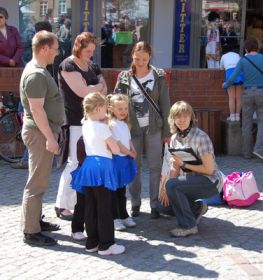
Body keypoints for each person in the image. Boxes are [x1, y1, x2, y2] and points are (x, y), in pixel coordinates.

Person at [114, 41, 171, 219]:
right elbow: (116, 101)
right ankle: (135, 203)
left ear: (150, 57)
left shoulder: (158, 75)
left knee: (155, 166)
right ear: (132, 55)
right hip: (131, 128)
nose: (140, 62)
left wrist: (167, 131)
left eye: (144, 59)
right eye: (137, 58)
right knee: (134, 166)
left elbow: (165, 103)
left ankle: (155, 204)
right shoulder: (124, 77)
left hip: (154, 126)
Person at [55, 32, 107, 220]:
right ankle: (62, 205)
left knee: (86, 161)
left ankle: (76, 202)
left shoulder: (92, 65)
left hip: (92, 120)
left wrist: (94, 88)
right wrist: (95, 87)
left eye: (93, 50)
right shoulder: (67, 65)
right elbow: (83, 92)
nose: (91, 54)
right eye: (87, 50)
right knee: (75, 162)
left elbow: (104, 87)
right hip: (75, 120)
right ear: (78, 47)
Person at [20, 30, 64, 246]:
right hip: (40, 134)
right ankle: (31, 231)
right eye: (55, 49)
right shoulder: (36, 74)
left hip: (40, 132)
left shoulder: (37, 70)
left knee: (39, 179)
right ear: (45, 49)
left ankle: (35, 221)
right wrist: (50, 138)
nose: (57, 53)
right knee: (36, 183)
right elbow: (37, 110)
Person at [71, 92, 125, 255]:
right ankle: (106, 244)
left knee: (91, 205)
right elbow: (115, 149)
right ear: (99, 108)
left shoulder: (85, 123)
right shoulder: (102, 128)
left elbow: (88, 119)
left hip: (89, 166)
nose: (106, 113)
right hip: (103, 166)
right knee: (105, 206)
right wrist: (114, 144)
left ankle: (92, 242)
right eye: (105, 110)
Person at [159, 101, 224, 237]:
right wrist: (167, 189)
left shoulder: (200, 137)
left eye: (185, 116)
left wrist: (184, 165)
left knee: (173, 186)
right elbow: (174, 165)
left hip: (210, 181)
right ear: (173, 119)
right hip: (192, 181)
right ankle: (198, 209)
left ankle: (188, 226)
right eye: (178, 117)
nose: (181, 120)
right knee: (163, 207)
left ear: (191, 118)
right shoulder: (174, 139)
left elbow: (209, 170)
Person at [223, 37, 263, 159]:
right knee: (262, 122)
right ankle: (259, 149)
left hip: (246, 94)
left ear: (246, 48)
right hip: (261, 92)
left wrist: (225, 85)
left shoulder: (243, 60)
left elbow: (234, 77)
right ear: (258, 47)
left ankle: (246, 152)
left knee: (246, 123)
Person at [107, 94, 137, 231]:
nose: (123, 111)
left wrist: (133, 149)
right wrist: (129, 152)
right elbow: (118, 144)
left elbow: (128, 140)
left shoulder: (124, 124)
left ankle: (124, 215)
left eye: (125, 108)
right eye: (120, 109)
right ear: (111, 108)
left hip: (124, 160)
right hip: (116, 161)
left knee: (122, 190)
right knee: (114, 191)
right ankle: (114, 218)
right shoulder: (112, 125)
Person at [220, 45, 243, 121]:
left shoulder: (223, 56)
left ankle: (232, 116)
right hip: (239, 72)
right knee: (238, 97)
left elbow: (221, 68)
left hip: (229, 73)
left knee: (231, 97)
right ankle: (238, 116)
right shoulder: (237, 55)